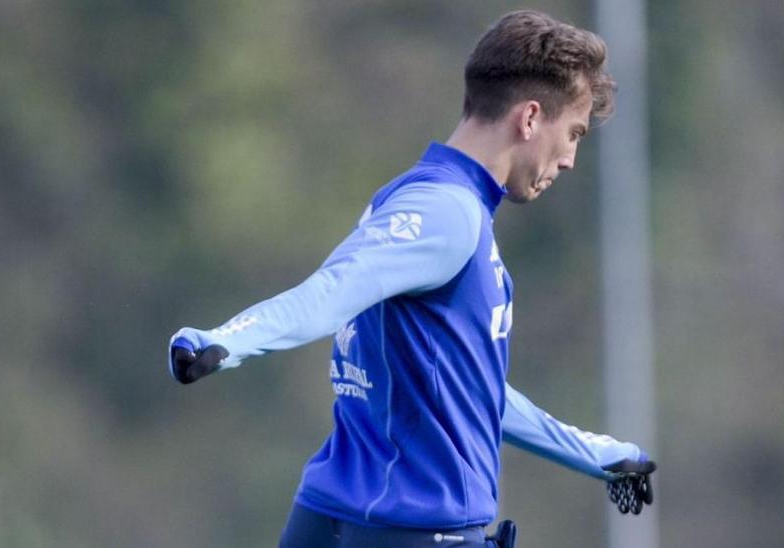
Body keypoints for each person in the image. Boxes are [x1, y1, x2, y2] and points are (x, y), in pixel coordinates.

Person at [167, 10, 655, 548]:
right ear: (531, 117)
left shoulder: (420, 200)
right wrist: (224, 340)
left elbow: (467, 388)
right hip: (416, 530)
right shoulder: (445, 212)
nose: (569, 160)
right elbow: (330, 292)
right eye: (574, 133)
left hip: (336, 516)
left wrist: (593, 453)